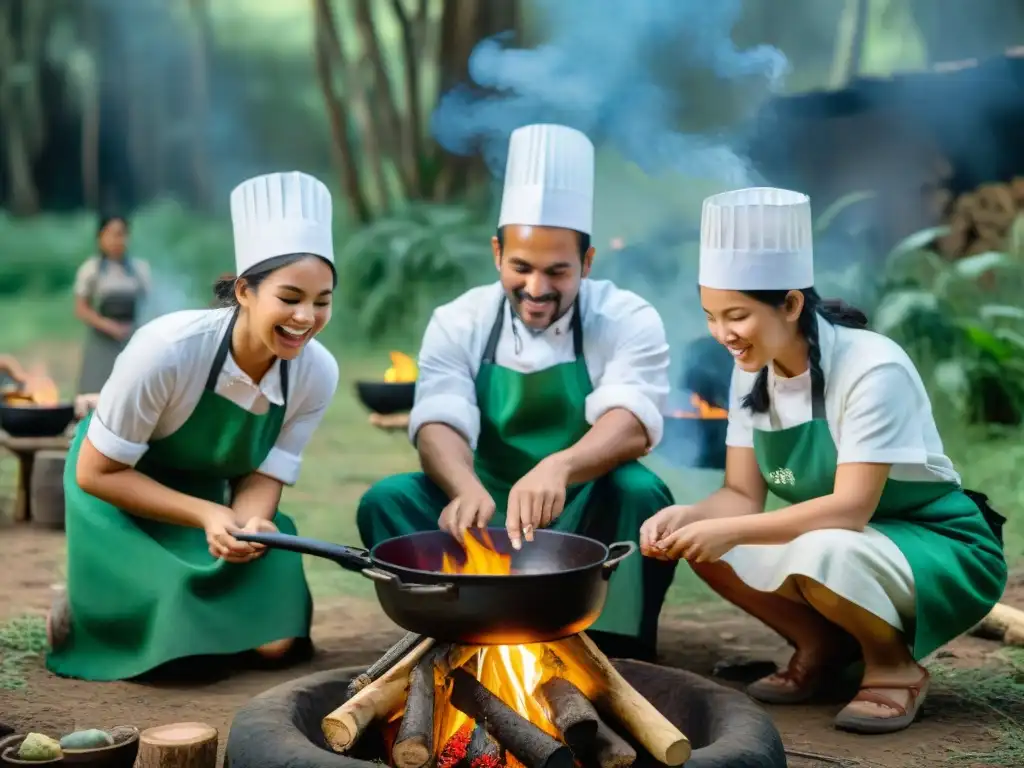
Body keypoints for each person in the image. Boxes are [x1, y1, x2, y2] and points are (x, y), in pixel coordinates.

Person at [640, 187, 1007, 734]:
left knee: (821, 546)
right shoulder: (752, 371)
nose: (722, 335)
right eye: (711, 316)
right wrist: (691, 518)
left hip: (938, 544)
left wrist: (729, 528)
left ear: (789, 304)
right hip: (842, 538)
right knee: (707, 541)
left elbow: (851, 510)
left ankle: (893, 669)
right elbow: (740, 495)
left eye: (736, 315)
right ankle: (823, 649)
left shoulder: (871, 367)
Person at [357, 124, 678, 661]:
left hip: (582, 506)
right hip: (484, 509)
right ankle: (450, 628)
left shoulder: (625, 316)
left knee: (639, 493)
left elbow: (634, 419)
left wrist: (561, 467)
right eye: (521, 268)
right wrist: (462, 487)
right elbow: (439, 418)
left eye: (558, 271)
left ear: (588, 262)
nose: (536, 289)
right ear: (496, 253)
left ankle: (612, 647)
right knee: (387, 499)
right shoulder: (459, 319)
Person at [46, 171, 340, 682]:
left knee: (276, 647)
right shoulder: (169, 350)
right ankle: (85, 606)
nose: (306, 317)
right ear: (245, 291)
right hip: (118, 499)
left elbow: (263, 476)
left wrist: (247, 527)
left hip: (210, 511)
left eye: (322, 300)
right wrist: (207, 514)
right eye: (290, 298)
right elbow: (98, 473)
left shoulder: (317, 372)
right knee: (183, 659)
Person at [73, 215, 152, 395]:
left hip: (130, 339)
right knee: (95, 395)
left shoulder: (139, 269)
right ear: (100, 238)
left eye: (122, 234)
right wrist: (108, 326)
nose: (118, 240)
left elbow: (148, 304)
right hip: (101, 343)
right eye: (112, 235)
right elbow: (81, 308)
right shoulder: (90, 270)